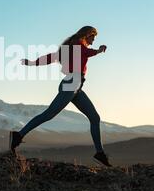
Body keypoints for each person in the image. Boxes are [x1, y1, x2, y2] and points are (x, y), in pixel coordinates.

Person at [9, 26, 112, 166]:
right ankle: (18, 135)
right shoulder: (78, 45)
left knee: (95, 117)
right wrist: (99, 51)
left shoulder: (70, 46)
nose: (93, 41)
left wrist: (32, 63)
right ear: (87, 35)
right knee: (48, 115)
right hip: (70, 85)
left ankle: (100, 153)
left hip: (75, 87)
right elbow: (86, 52)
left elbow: (51, 57)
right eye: (92, 38)